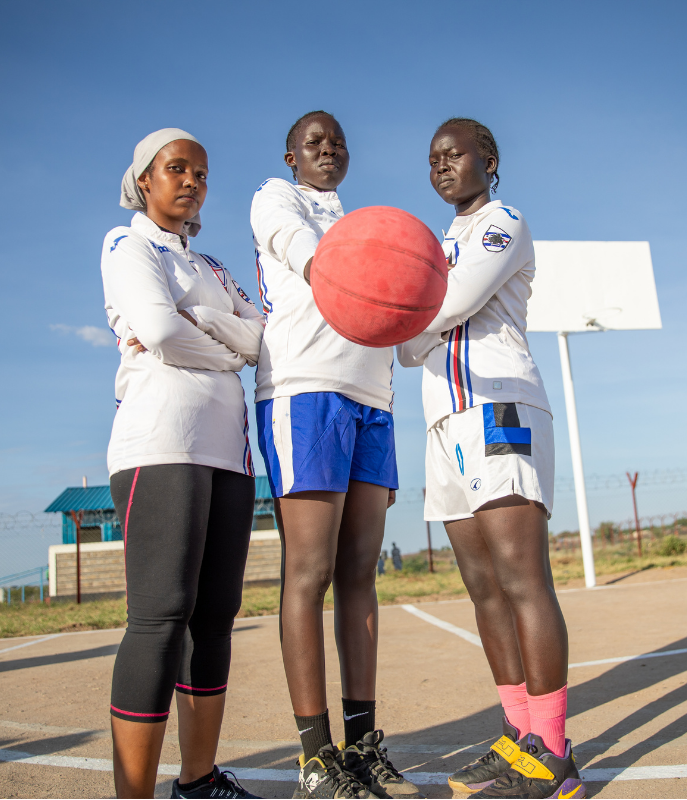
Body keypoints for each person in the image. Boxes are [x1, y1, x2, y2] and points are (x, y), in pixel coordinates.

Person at [397, 118, 584, 799]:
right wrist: (418, 319)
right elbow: (405, 345)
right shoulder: (436, 242)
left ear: (489, 159)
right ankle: (519, 735)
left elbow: (452, 301)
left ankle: (555, 752)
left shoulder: (502, 222)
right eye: (432, 159)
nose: (442, 166)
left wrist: (419, 314)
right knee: (482, 588)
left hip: (499, 407)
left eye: (454, 154)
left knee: (521, 577)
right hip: (443, 421)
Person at [251, 111, 419, 799]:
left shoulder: (356, 217)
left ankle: (361, 745)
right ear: (291, 154)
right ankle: (314, 760)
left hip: (371, 399)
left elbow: (402, 315)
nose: (327, 149)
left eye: (338, 142)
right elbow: (310, 258)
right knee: (310, 570)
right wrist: (380, 271)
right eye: (314, 142)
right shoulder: (275, 198)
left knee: (360, 574)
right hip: (305, 393)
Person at [101, 128, 264, 799]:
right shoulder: (126, 243)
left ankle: (198, 782)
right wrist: (222, 342)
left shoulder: (215, 268)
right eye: (177, 168)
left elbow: (260, 338)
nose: (192, 180)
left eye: (200, 171)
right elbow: (161, 329)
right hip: (160, 443)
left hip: (228, 452)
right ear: (145, 180)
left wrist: (207, 326)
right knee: (161, 615)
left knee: (215, 614)